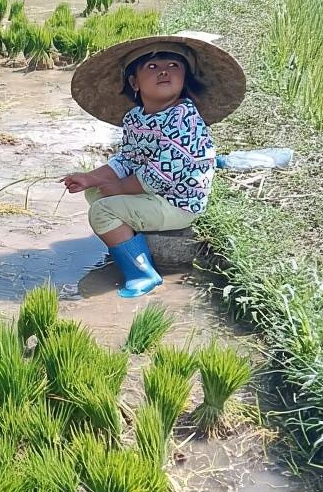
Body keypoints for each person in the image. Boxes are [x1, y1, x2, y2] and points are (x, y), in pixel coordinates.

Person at [61, 33, 246, 298]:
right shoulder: (136, 118)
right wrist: (92, 178)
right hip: (153, 191)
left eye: (174, 66)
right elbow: (127, 159)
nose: (164, 72)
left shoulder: (184, 119)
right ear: (134, 82)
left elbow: (159, 176)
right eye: (152, 67)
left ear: (184, 80)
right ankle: (131, 235)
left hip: (178, 202)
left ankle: (141, 272)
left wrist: (117, 188)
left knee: (101, 212)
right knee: (95, 193)